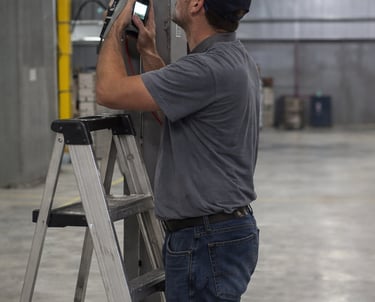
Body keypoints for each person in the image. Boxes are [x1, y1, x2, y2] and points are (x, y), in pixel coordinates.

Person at [96, 0, 260, 300]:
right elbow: (171, 104)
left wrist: (115, 26)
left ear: (197, 5)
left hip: (204, 239)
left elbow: (108, 91)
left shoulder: (205, 68)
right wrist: (147, 51)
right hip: (218, 234)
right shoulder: (234, 58)